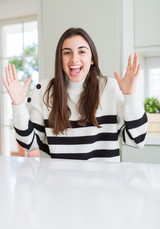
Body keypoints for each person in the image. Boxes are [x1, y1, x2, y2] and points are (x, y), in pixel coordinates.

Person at [1, 27, 148, 161]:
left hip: (104, 187)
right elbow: (29, 144)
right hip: (55, 186)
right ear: (60, 59)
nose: (74, 59)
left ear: (91, 59)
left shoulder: (110, 88)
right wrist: (18, 105)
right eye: (67, 52)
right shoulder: (43, 91)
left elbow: (137, 140)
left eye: (82, 51)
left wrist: (130, 95)